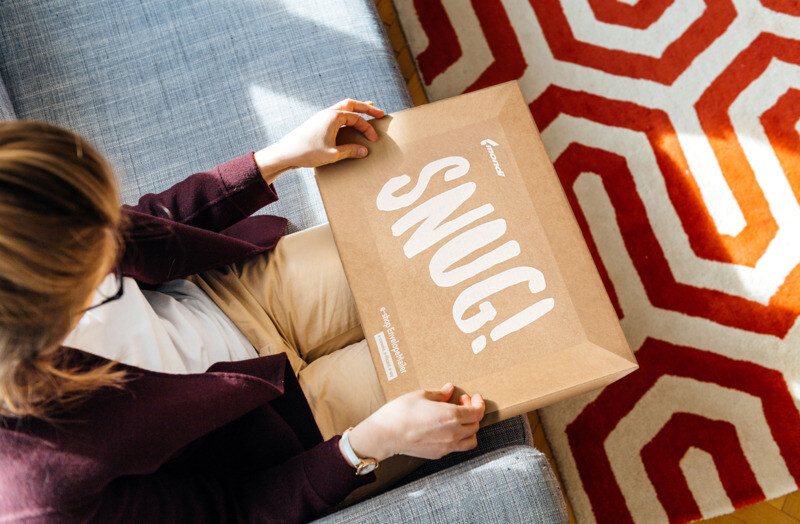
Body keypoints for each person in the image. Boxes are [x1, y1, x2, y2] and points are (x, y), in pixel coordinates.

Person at [0, 98, 485, 523]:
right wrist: (367, 445)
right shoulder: (43, 495)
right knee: (487, 339)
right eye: (96, 269)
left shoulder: (25, 222)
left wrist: (274, 159)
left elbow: (150, 224)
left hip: (234, 290)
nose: (114, 239)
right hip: (288, 432)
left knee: (443, 231)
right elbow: (230, 512)